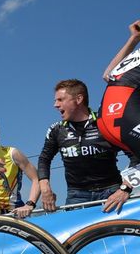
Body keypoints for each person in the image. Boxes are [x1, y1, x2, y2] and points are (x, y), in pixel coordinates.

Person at [38, 79, 124, 207]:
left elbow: (135, 154)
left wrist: (125, 189)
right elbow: (44, 159)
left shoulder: (105, 122)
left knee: (118, 228)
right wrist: (45, 188)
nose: (55, 105)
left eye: (60, 100)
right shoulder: (56, 130)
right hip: (77, 195)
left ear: (78, 99)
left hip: (112, 191)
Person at [98, 19, 140, 213]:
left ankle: (125, 189)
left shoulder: (137, 55)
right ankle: (125, 188)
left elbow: (108, 74)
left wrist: (134, 38)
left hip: (108, 118)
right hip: (123, 113)